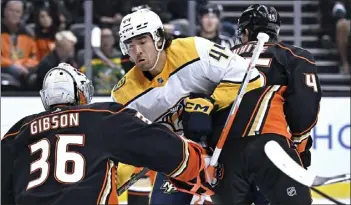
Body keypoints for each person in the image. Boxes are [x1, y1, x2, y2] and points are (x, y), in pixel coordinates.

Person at [1, 63, 214, 205]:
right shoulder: (101, 116)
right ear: (80, 92)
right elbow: (160, 147)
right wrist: (199, 163)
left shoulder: (16, 133)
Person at [111, 8, 263, 204]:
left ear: (158, 38)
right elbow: (127, 146)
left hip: (224, 147)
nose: (137, 51)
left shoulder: (194, 49)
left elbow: (251, 78)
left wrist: (211, 102)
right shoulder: (123, 94)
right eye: (130, 46)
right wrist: (112, 181)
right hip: (179, 161)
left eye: (142, 42)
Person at [203, 4, 322, 205]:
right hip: (269, 147)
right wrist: (301, 149)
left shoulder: (221, 56)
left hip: (224, 154)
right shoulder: (295, 56)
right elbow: (304, 110)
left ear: (246, 31)